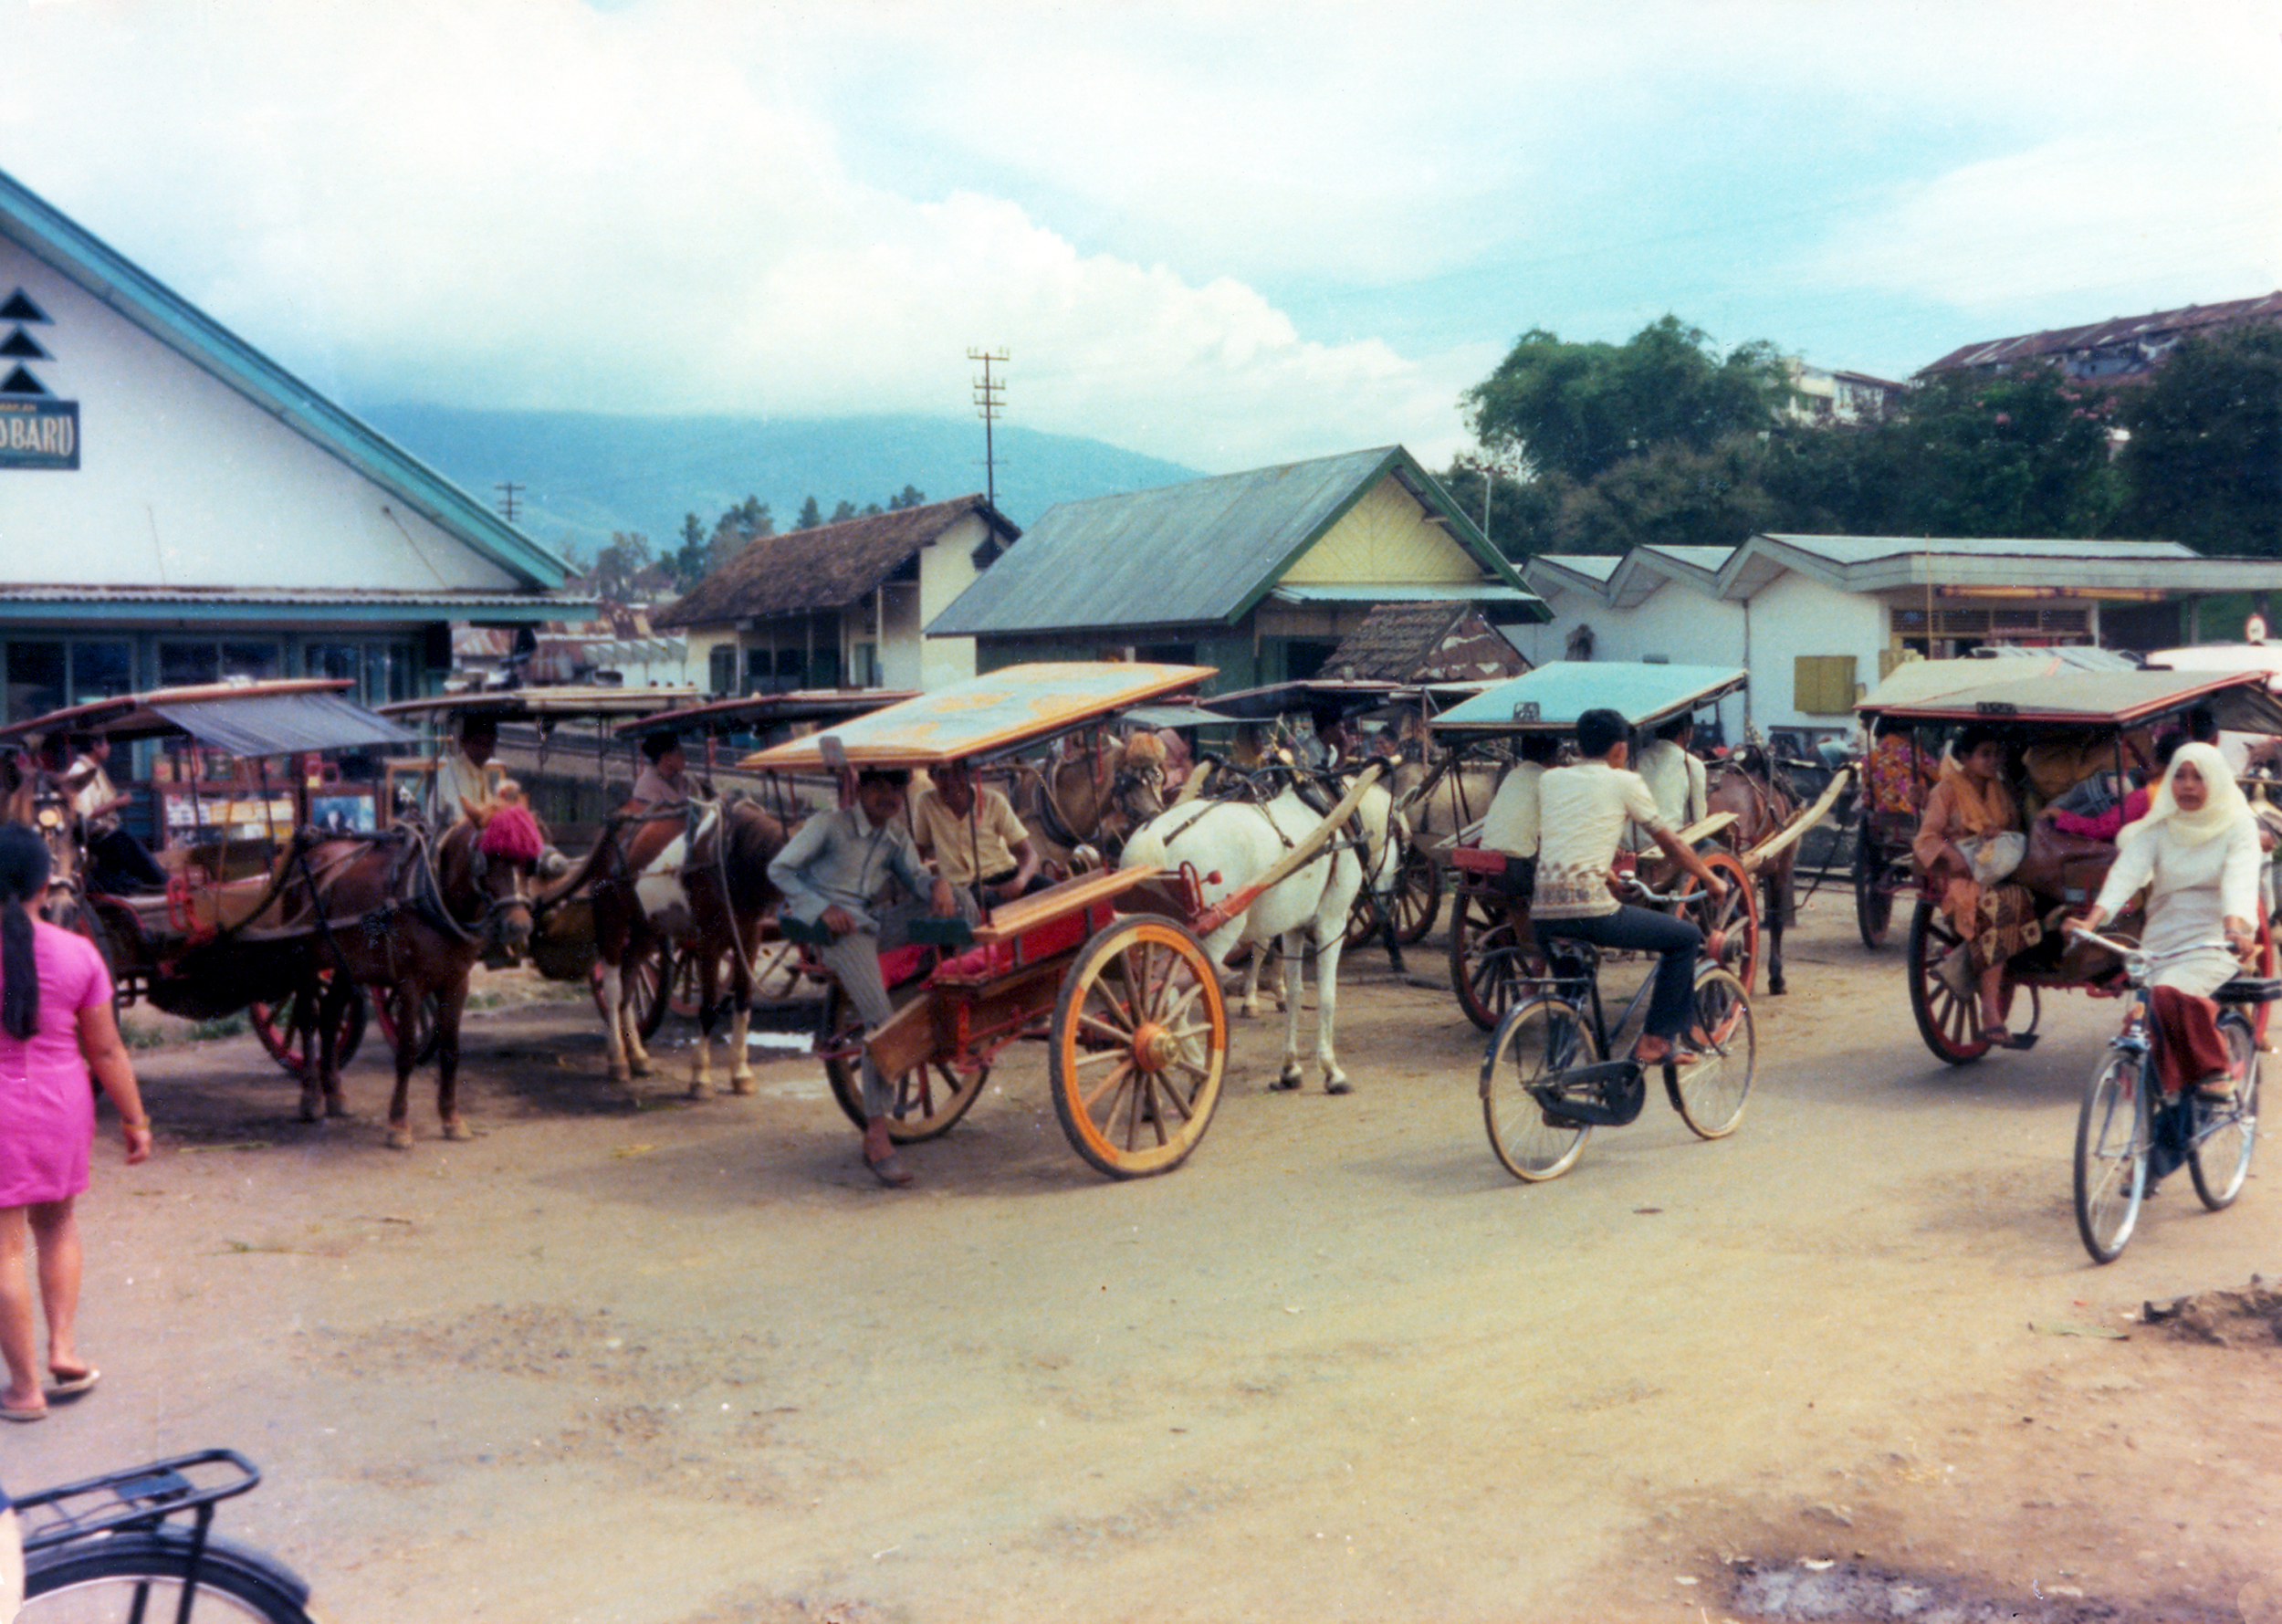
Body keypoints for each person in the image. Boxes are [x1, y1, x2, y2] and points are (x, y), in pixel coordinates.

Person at [0, 823, 152, 1422]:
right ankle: (63, 1347)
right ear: (45, 882)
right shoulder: (79, 953)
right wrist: (136, 1118)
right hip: (61, 1104)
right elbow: (107, 1051)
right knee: (58, 1226)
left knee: (4, 1245)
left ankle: (25, 1389)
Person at [769, 768, 975, 1187]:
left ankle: (954, 981)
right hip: (835, 931)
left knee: (963, 897)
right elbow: (781, 869)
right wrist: (820, 908)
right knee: (883, 1026)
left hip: (870, 922)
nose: (889, 796)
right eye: (879, 787)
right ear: (860, 789)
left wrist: (937, 885)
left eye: (897, 788)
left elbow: (915, 879)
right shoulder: (829, 825)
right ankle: (877, 1138)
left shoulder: (895, 837)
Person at [1532, 707, 1730, 1067]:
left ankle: (1555, 1084)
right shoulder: (1625, 781)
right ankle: (1656, 1041)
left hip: (1543, 914)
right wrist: (1710, 876)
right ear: (1621, 749)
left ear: (1580, 744)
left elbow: (1574, 836)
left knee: (1572, 991)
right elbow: (1672, 844)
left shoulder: (1550, 780)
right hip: (1592, 914)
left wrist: (1607, 875)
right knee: (1684, 937)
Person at [2069, 743, 2264, 1103]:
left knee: (2167, 995)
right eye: (2180, 776)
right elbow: (2125, 874)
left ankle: (2215, 1068)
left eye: (2198, 777)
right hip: (2161, 936)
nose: (2187, 786)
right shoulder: (2160, 828)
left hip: (2214, 936)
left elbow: (2239, 881)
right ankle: (2158, 1137)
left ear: (2217, 781)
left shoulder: (2238, 827)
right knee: (2147, 1021)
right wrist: (2091, 922)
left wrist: (2235, 929)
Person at [1912, 724, 2041, 1047]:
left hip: (1993, 873)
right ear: (1965, 756)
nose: (1993, 760)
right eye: (1985, 754)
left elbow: (2011, 828)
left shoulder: (1999, 789)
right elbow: (1926, 839)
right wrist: (1955, 855)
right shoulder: (1946, 790)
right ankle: (1990, 1012)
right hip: (1958, 878)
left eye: (1996, 754)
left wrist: (1993, 839)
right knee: (1997, 906)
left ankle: (1976, 972)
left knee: (2016, 896)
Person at [911, 758, 1047, 908]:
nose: (950, 781)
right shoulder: (925, 802)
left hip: (1007, 874)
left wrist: (1020, 881)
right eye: (942, 774)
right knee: (993, 904)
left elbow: (1029, 853)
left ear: (969, 773)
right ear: (932, 778)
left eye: (957, 773)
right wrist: (931, 886)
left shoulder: (994, 801)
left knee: (1051, 889)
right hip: (965, 889)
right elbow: (918, 854)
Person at [64, 735, 165, 895]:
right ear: (96, 746)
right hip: (90, 837)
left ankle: (161, 882)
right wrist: (118, 803)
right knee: (124, 842)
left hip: (105, 832)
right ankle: (162, 883)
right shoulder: (79, 771)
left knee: (130, 847)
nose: (109, 748)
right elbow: (86, 815)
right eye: (106, 743)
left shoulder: (96, 769)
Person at [1477, 733, 1560, 917]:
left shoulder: (1512, 774)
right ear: (1553, 756)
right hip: (1519, 873)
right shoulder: (1549, 779)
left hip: (1487, 871)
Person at [1631, 712, 1708, 842]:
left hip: (1629, 847)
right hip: (1667, 845)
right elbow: (1699, 820)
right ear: (1687, 732)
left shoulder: (1634, 760)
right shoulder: (1692, 765)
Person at [431, 716, 502, 825]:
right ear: (463, 741)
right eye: (477, 743)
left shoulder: (482, 771)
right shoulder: (453, 772)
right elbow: (460, 821)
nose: (483, 750)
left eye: (488, 745)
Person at [630, 730, 691, 812]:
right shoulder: (647, 785)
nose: (684, 756)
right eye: (678, 752)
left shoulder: (679, 779)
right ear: (666, 757)